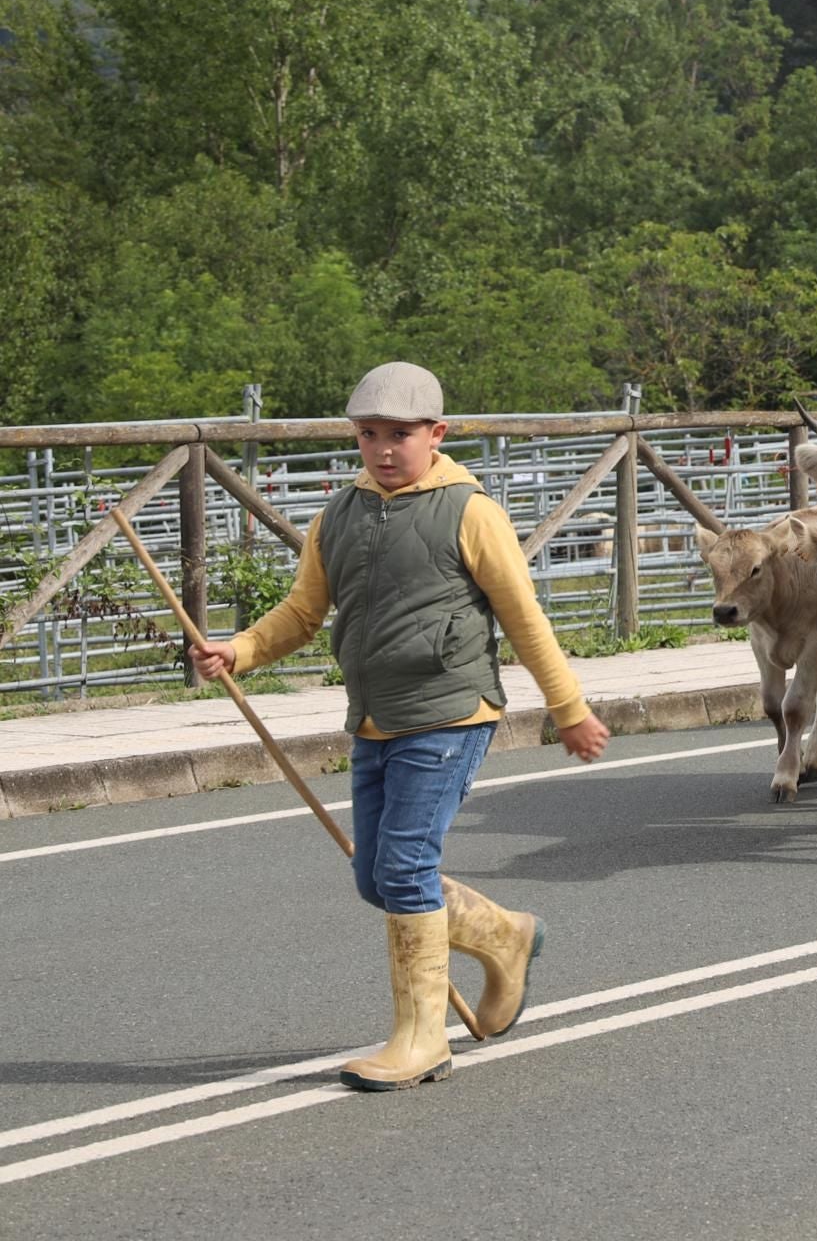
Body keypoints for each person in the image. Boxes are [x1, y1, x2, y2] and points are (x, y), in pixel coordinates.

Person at [187, 362, 610, 1093]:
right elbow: (302, 612)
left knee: (406, 868)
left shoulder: (470, 512)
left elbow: (523, 619)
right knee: (375, 877)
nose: (383, 448)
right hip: (375, 719)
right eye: (369, 434)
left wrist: (568, 709)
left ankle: (421, 1039)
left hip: (451, 712)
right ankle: (506, 936)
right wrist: (242, 649)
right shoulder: (338, 516)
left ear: (436, 434)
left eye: (401, 434)